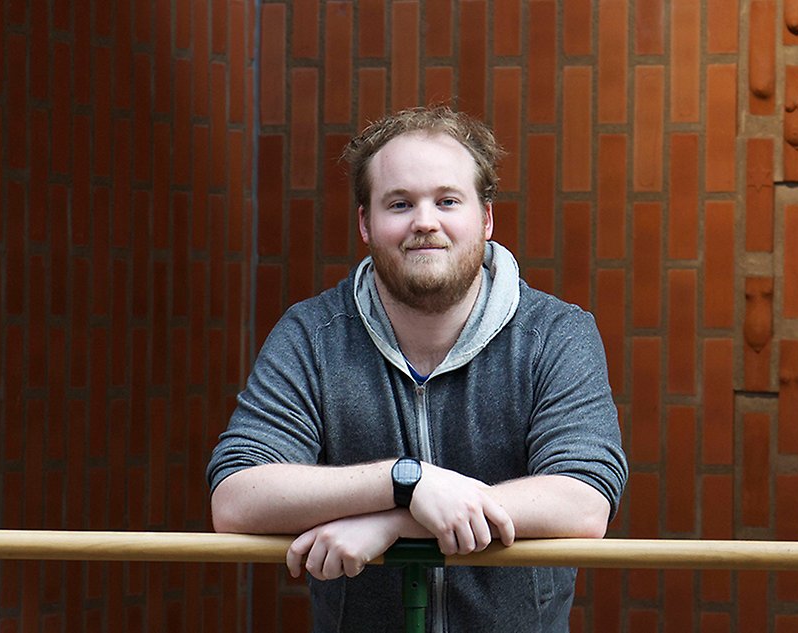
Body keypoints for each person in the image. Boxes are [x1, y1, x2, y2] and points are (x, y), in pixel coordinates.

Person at [206, 106, 628, 632]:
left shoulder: (556, 334)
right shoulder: (313, 336)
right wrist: (405, 481)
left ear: (486, 218)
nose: (425, 221)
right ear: (365, 222)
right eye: (400, 203)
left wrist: (399, 520)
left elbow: (584, 500)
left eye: (447, 201)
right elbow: (237, 496)